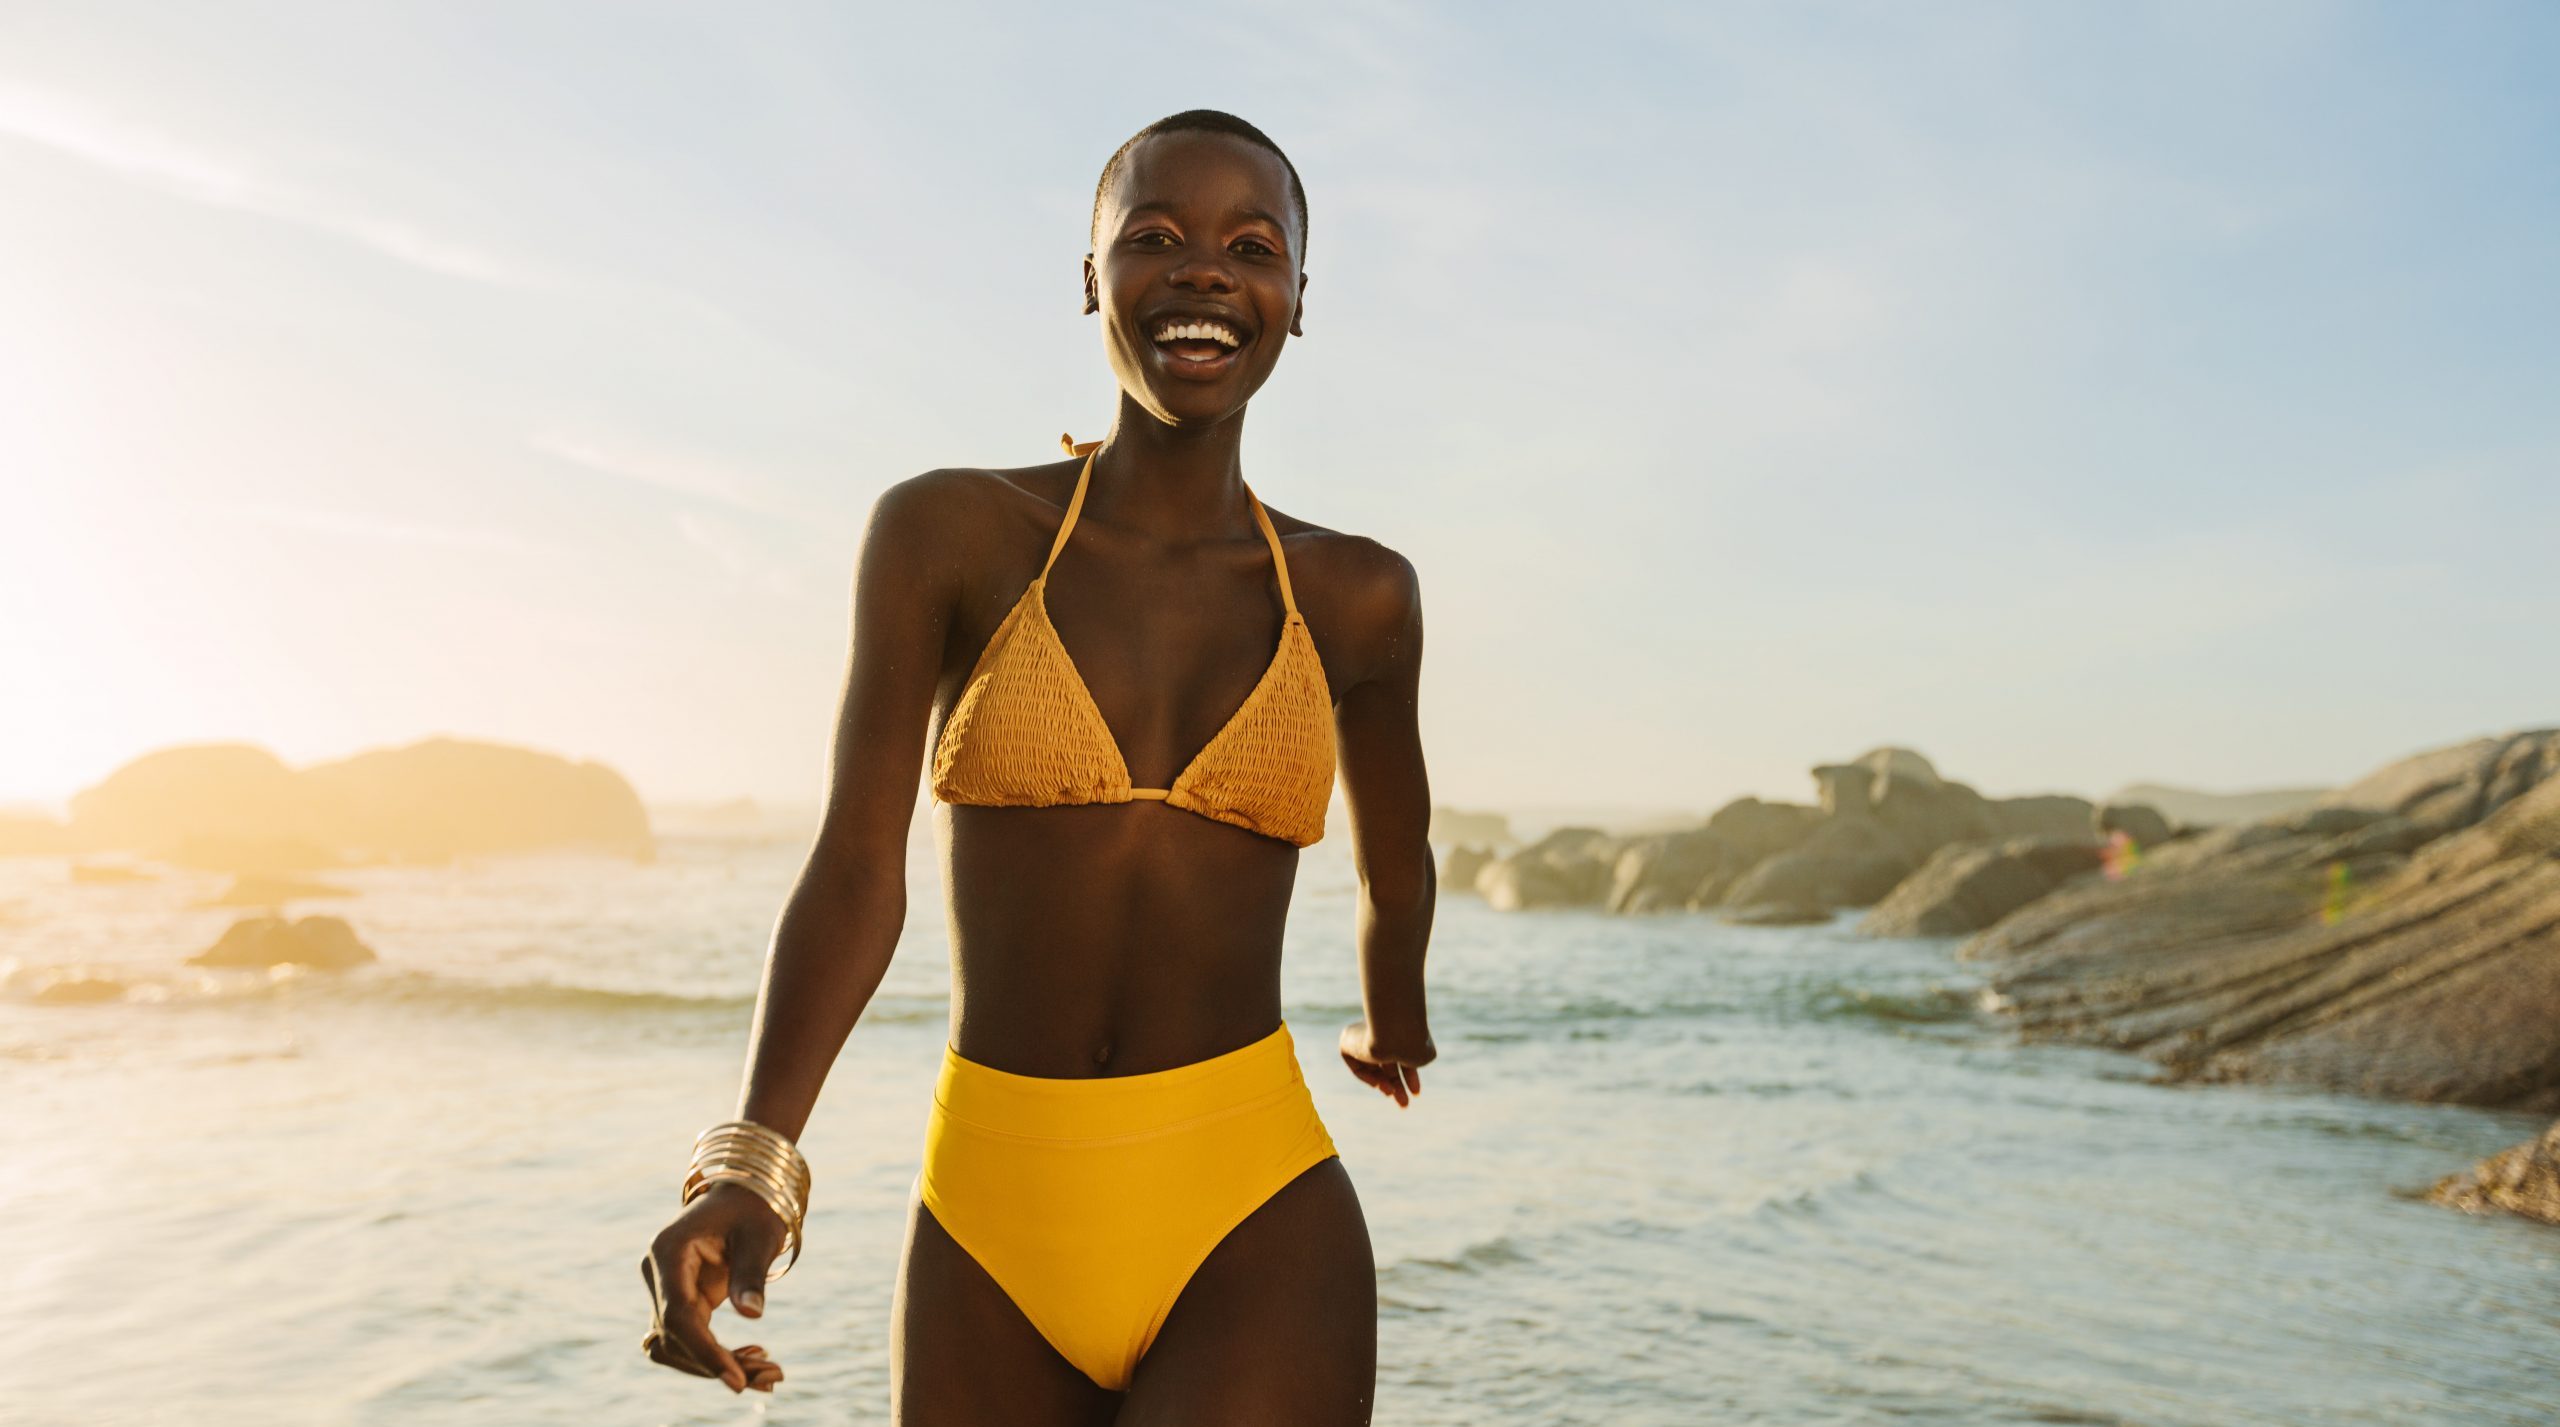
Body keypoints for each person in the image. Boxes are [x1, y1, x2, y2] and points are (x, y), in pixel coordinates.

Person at [640, 109, 1437, 1426]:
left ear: (1297, 300)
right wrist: (752, 1162)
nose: (1203, 272)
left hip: (1252, 1211)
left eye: (1252, 244)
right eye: (1155, 237)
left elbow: (1396, 862)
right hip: (989, 1220)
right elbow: (855, 868)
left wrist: (1391, 1019)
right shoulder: (950, 535)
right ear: (1089, 278)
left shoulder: (1356, 596)